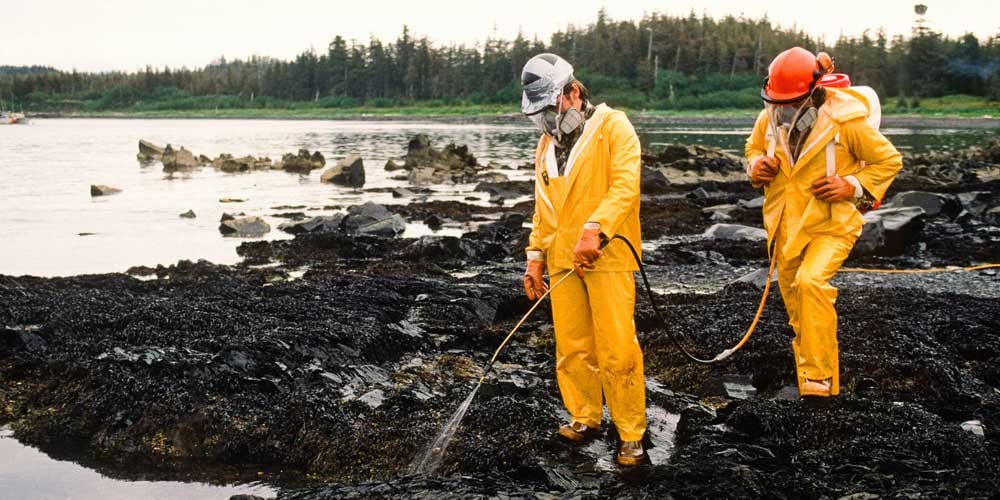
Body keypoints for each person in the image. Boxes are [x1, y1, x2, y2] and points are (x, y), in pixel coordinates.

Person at [745, 47, 902, 397]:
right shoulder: (767, 119)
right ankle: (816, 383)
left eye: (793, 101)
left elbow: (888, 161)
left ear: (814, 91)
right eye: (778, 101)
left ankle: (818, 381)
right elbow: (752, 150)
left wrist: (853, 185)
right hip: (785, 226)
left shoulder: (847, 121)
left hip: (832, 223)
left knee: (812, 283)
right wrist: (756, 167)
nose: (784, 108)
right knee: (798, 305)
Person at [519, 53, 648, 466]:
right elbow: (543, 208)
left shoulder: (614, 127)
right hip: (561, 260)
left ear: (573, 93)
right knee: (572, 346)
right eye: (538, 114)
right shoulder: (545, 145)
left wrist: (596, 229)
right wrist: (535, 257)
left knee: (617, 347)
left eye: (549, 109)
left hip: (606, 257)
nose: (546, 121)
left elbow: (626, 187)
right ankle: (584, 416)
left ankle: (631, 433)